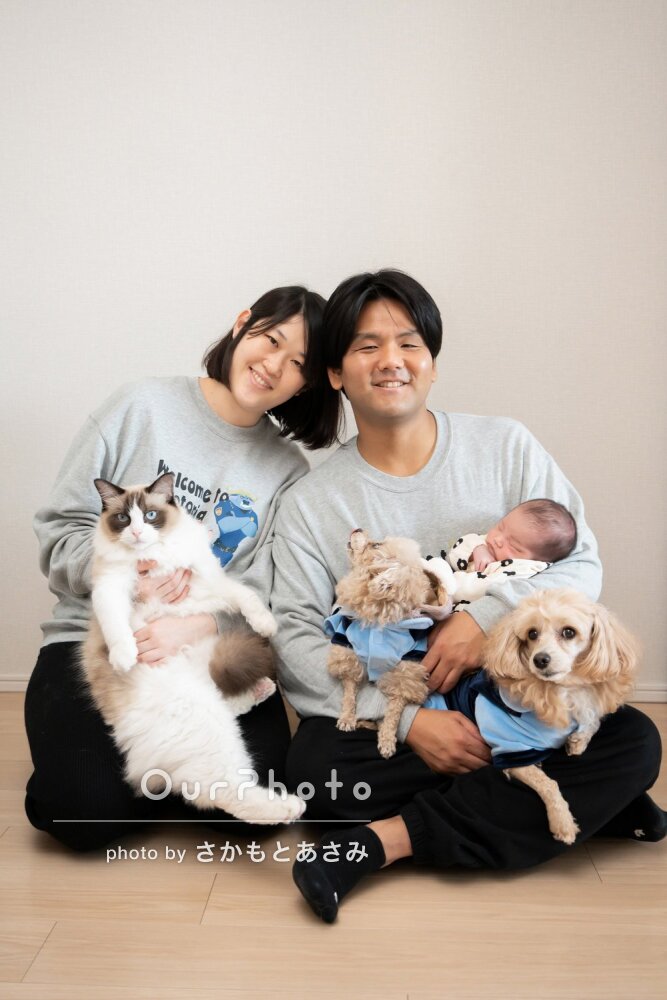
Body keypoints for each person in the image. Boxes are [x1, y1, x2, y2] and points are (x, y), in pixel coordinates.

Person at [270, 269, 665, 923]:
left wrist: (485, 620)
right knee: (315, 770)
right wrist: (410, 722)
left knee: (634, 741)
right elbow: (295, 641)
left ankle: (381, 843)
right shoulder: (311, 503)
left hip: (519, 699)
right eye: (367, 346)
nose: (391, 360)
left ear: (431, 361)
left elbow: (581, 562)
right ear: (336, 372)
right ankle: (570, 803)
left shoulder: (505, 445)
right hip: (403, 714)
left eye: (408, 343)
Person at [26, 284, 339, 851]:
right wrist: (126, 578)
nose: (274, 366)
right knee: (83, 815)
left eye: (298, 364)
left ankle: (166, 770)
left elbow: (270, 589)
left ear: (307, 384)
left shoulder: (288, 470)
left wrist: (199, 625)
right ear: (242, 324)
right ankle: (158, 772)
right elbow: (59, 529)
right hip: (101, 643)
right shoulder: (139, 406)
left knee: (254, 806)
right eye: (271, 340)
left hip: (206, 651)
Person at [425, 498, 577, 606]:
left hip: (456, 608)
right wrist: (477, 548)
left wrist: (446, 583)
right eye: (501, 527)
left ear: (535, 561)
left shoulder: (520, 570)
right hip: (441, 590)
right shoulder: (487, 543)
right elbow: (453, 555)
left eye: (513, 545)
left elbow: (478, 589)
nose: (498, 539)